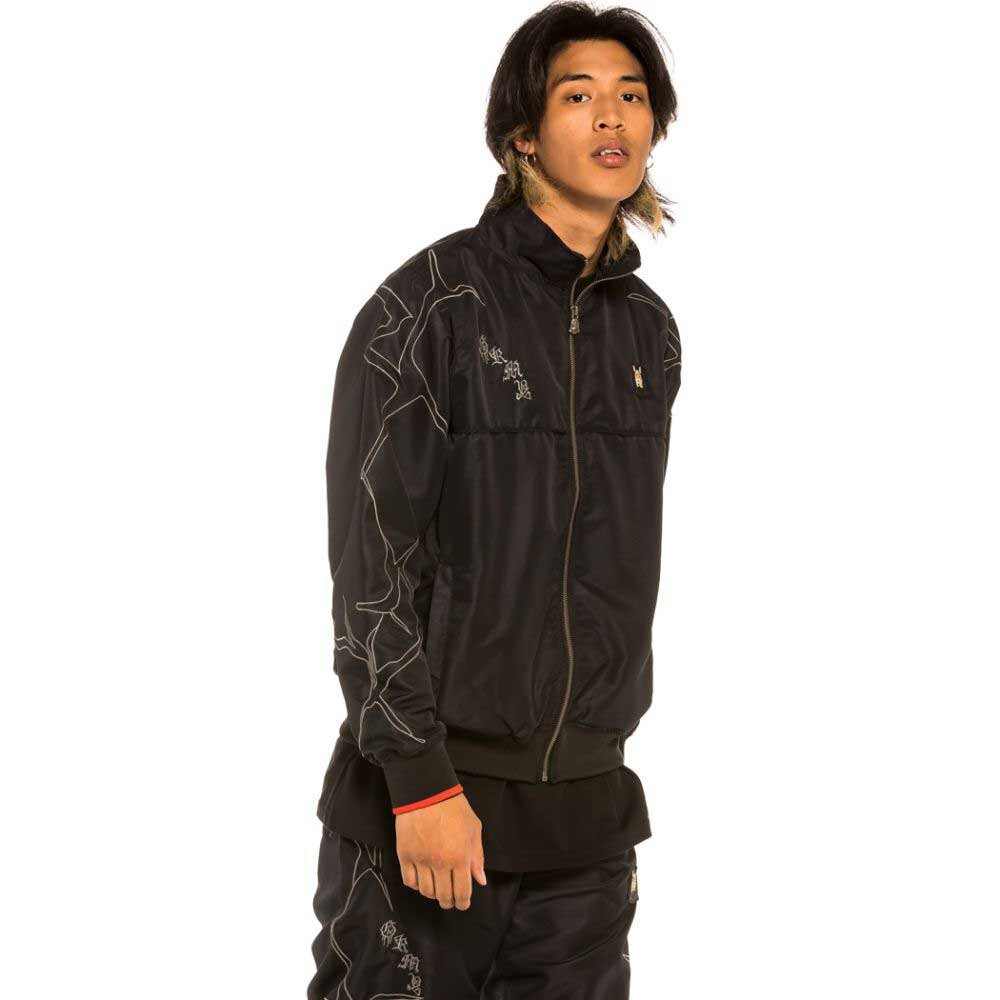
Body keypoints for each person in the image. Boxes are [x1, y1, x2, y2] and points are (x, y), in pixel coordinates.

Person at [307, 3, 681, 997]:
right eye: (578, 96)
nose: (612, 116)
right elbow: (371, 564)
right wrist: (418, 778)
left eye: (632, 96)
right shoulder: (430, 307)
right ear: (521, 133)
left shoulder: (647, 333)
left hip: (586, 819)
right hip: (432, 805)